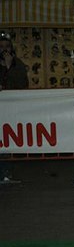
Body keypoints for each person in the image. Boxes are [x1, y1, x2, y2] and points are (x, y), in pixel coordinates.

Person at [0, 33, 28, 184]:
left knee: (6, 141)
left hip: (10, 111)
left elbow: (22, 84)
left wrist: (10, 67)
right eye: (1, 47)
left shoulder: (18, 64)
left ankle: (5, 173)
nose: (4, 50)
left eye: (7, 47)